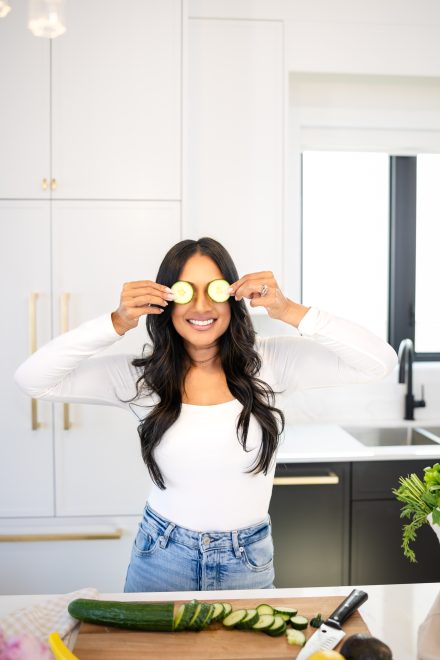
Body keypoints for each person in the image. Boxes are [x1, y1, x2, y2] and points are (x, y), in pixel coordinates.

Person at [14, 237, 398, 592]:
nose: (200, 307)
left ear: (233, 297)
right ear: (165, 301)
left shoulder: (271, 361)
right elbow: (33, 379)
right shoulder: (140, 377)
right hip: (161, 558)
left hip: (247, 561)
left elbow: (379, 362)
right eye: (186, 292)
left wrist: (288, 309)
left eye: (213, 290)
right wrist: (115, 321)